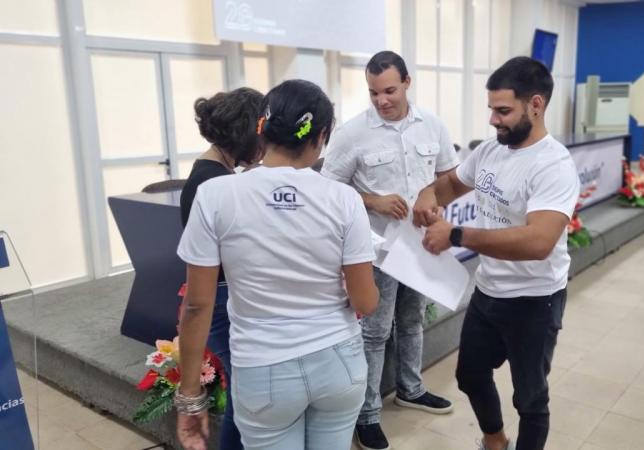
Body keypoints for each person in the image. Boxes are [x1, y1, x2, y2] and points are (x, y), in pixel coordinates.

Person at [175, 79, 379, 450]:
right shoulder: (344, 199)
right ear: (322, 136)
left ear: (261, 128)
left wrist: (191, 396)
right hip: (338, 363)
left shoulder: (215, 195)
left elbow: (198, 304)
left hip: (262, 367)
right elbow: (366, 303)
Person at [413, 57, 580, 450]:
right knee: (470, 376)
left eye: (503, 110)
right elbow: (451, 185)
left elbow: (539, 242)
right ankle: (495, 441)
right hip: (489, 293)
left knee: (531, 399)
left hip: (535, 301)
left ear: (535, 105)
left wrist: (456, 234)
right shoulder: (491, 150)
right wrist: (426, 194)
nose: (493, 119)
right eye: (491, 109)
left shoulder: (553, 165)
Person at [321, 50, 457, 450]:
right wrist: (373, 200)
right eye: (373, 92)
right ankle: (368, 414)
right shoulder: (352, 133)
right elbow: (328, 188)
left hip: (420, 245)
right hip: (376, 251)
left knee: (413, 320)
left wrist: (434, 202)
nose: (382, 100)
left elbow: (448, 177)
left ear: (407, 83)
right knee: (374, 332)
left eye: (390, 90)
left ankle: (411, 389)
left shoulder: (432, 125)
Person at [179, 87, 264, 450]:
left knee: (242, 396)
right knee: (245, 401)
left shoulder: (211, 174)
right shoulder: (216, 184)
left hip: (219, 302)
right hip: (222, 303)